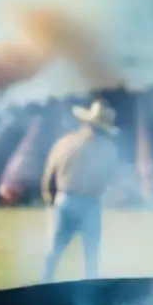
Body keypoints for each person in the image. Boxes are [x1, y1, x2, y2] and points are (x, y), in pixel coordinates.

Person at [40, 99, 119, 281]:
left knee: (54, 250)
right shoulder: (109, 148)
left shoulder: (64, 142)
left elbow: (48, 176)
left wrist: (51, 199)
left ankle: (43, 284)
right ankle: (89, 290)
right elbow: (109, 178)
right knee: (91, 254)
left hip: (64, 200)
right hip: (90, 203)